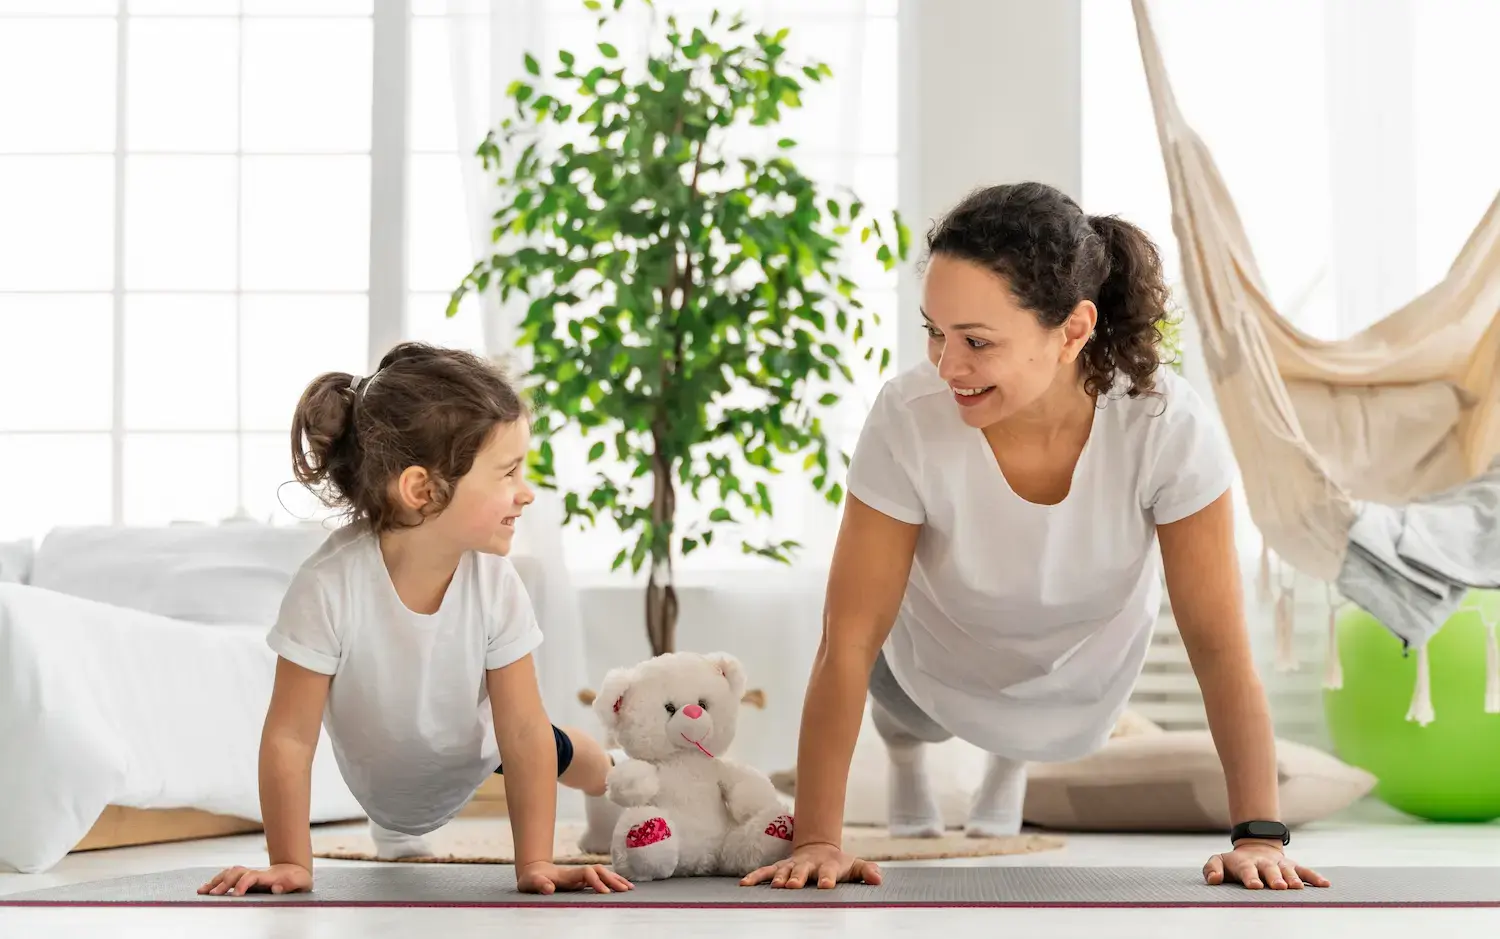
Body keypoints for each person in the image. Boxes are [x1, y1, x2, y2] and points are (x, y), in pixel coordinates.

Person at [742, 182, 1330, 892]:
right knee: (902, 711)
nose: (945, 365)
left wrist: (1259, 834)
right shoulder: (907, 416)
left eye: (977, 342)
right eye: (934, 330)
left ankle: (1006, 757)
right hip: (934, 655)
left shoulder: (1166, 426)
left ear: (1074, 330)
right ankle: (908, 756)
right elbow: (849, 638)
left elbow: (1219, 643)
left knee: (1025, 726)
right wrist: (817, 840)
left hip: (1080, 668)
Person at [199, 342, 631, 898]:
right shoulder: (327, 586)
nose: (525, 494)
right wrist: (290, 863)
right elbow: (288, 737)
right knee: (403, 787)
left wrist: (535, 864)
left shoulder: (495, 584)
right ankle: (394, 825)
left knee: (563, 752)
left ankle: (614, 779)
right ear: (422, 490)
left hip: (479, 746)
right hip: (388, 763)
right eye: (507, 473)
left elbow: (521, 730)